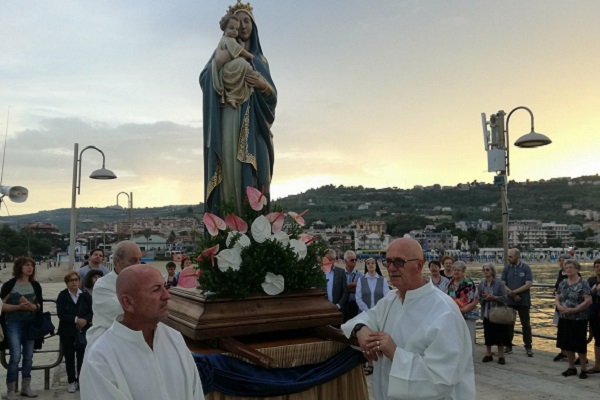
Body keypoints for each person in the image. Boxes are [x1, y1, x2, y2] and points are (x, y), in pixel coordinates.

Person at [341, 238, 475, 400]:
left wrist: (395, 353)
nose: (391, 268)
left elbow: (442, 379)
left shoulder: (445, 312)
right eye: (388, 261)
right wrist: (361, 330)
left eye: (399, 262)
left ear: (419, 265)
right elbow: (366, 318)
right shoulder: (391, 299)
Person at [80, 264, 204, 399]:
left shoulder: (175, 338)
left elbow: (196, 393)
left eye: (165, 287)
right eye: (156, 289)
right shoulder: (100, 358)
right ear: (128, 302)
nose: (167, 296)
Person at [200, 0, 277, 216]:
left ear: (253, 25)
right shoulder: (221, 51)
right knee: (230, 169)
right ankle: (230, 221)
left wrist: (263, 85)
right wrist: (218, 65)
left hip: (256, 126)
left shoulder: (261, 60)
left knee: (260, 179)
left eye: (247, 21)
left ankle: (256, 228)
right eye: (237, 22)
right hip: (229, 118)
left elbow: (272, 98)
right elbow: (204, 79)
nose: (242, 26)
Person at [85, 240, 142, 348]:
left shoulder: (142, 282)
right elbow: (122, 311)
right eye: (133, 260)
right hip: (106, 343)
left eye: (140, 260)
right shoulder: (102, 285)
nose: (138, 265)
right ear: (117, 261)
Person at [0, 257, 43, 398]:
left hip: (30, 324)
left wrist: (33, 306)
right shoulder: (9, 285)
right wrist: (18, 307)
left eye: (31, 265)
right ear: (19, 267)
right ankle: (11, 389)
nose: (30, 268)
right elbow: (2, 307)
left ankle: (26, 386)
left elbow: (39, 305)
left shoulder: (35, 285)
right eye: (26, 265)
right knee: (15, 356)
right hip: (13, 324)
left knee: (29, 356)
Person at [56, 271, 93, 393]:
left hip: (82, 331)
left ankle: (82, 380)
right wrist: (76, 319)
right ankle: (71, 381)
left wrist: (86, 320)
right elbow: (61, 314)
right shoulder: (62, 295)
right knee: (69, 357)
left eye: (76, 280)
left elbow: (91, 311)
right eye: (71, 280)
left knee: (82, 356)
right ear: (67, 283)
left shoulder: (85, 295)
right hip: (67, 331)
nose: (74, 282)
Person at [556, 259, 592, 379]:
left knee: (579, 343)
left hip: (579, 318)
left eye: (571, 267)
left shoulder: (583, 283)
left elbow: (588, 300)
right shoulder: (563, 283)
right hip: (564, 317)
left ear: (577, 269)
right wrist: (560, 307)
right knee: (567, 343)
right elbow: (557, 297)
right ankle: (571, 367)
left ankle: (583, 369)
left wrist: (575, 310)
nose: (568, 269)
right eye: (566, 268)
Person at [355, 257, 389, 376]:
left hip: (380, 314)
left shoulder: (382, 280)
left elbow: (386, 297)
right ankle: (370, 363)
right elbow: (358, 297)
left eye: (373, 263)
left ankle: (380, 363)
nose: (370, 265)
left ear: (376, 265)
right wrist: (368, 311)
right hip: (365, 314)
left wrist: (377, 311)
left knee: (379, 337)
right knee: (368, 340)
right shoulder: (361, 280)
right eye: (368, 263)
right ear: (366, 265)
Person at [213, 13, 255, 108]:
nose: (236, 31)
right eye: (232, 28)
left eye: (237, 29)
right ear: (224, 29)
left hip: (228, 72)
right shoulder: (229, 40)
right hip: (227, 71)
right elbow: (238, 50)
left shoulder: (262, 59)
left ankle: (231, 97)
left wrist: (263, 85)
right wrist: (250, 55)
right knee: (242, 63)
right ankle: (232, 97)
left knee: (242, 64)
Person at [501, 248, 534, 357]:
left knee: (526, 324)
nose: (509, 258)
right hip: (510, 301)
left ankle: (528, 347)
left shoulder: (526, 268)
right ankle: (508, 345)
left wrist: (515, 292)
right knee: (509, 324)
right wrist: (511, 294)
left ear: (517, 257)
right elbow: (502, 283)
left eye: (511, 257)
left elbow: (528, 283)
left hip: (523, 301)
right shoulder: (506, 269)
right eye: (508, 256)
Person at [478, 263, 509, 365]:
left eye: (487, 269)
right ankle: (488, 354)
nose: (485, 271)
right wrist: (485, 299)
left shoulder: (499, 283)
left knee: (500, 334)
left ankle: (501, 356)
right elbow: (479, 299)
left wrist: (494, 298)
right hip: (487, 312)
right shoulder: (481, 284)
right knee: (487, 334)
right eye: (484, 270)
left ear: (492, 271)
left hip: (497, 313)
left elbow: (505, 298)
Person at [447, 261, 479, 355]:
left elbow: (475, 300)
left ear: (463, 271)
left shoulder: (469, 283)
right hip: (454, 315)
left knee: (468, 338)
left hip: (468, 314)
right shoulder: (450, 283)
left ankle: (469, 361)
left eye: (459, 270)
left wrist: (464, 309)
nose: (456, 272)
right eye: (454, 269)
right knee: (455, 339)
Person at [552, 253, 570, 362]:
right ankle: (563, 351)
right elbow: (558, 284)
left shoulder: (571, 274)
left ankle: (569, 351)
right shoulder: (560, 273)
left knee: (568, 329)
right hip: (559, 305)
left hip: (568, 306)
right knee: (560, 328)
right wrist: (555, 289)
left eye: (563, 261)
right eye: (560, 261)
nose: (561, 263)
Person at [342, 250, 362, 322]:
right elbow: (339, 288)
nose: (354, 261)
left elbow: (360, 289)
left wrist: (345, 287)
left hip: (355, 305)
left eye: (355, 259)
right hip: (343, 304)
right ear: (346, 261)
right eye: (352, 260)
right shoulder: (341, 273)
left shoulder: (359, 274)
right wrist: (353, 285)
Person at [588, 259, 600, 373]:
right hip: (594, 313)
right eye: (596, 266)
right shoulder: (591, 281)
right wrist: (594, 290)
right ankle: (597, 365)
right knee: (597, 338)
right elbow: (586, 294)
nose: (599, 268)